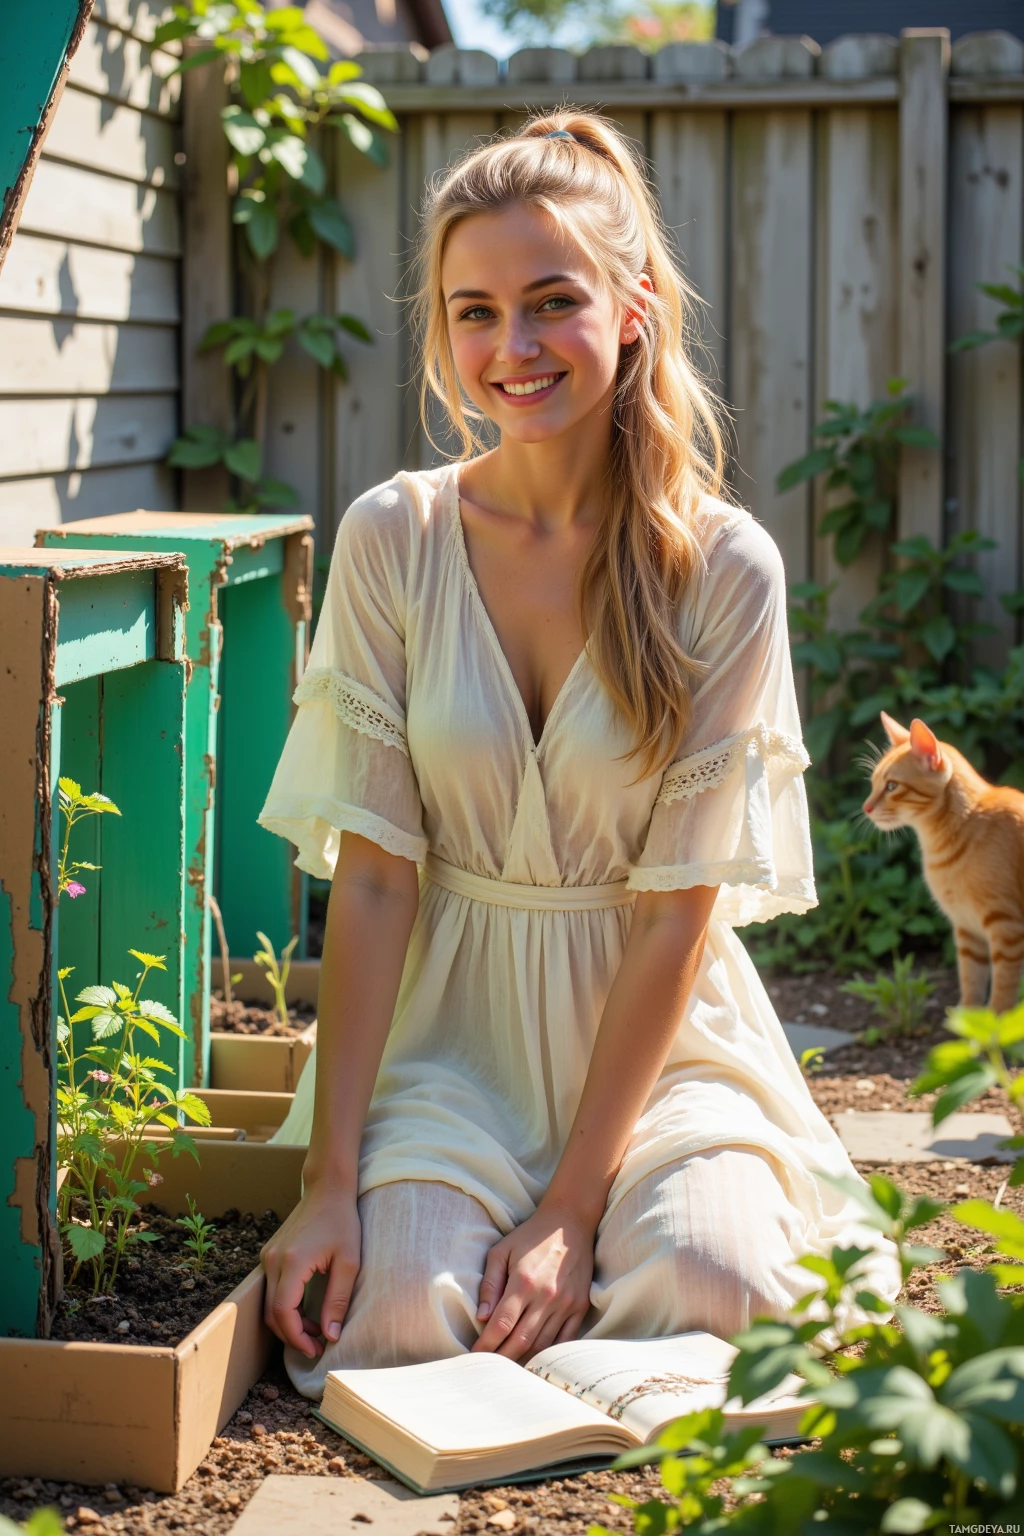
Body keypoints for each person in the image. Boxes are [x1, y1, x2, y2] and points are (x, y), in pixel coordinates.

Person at [256, 109, 902, 1398]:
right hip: (453, 1038)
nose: (514, 347)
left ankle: (618, 1243)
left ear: (634, 303)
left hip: (661, 1039)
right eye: (475, 311)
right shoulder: (396, 539)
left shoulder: (721, 568)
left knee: (713, 1283)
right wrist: (330, 1185)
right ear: (442, 329)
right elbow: (377, 883)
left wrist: (569, 1205)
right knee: (392, 1309)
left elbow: (677, 916)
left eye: (552, 301)